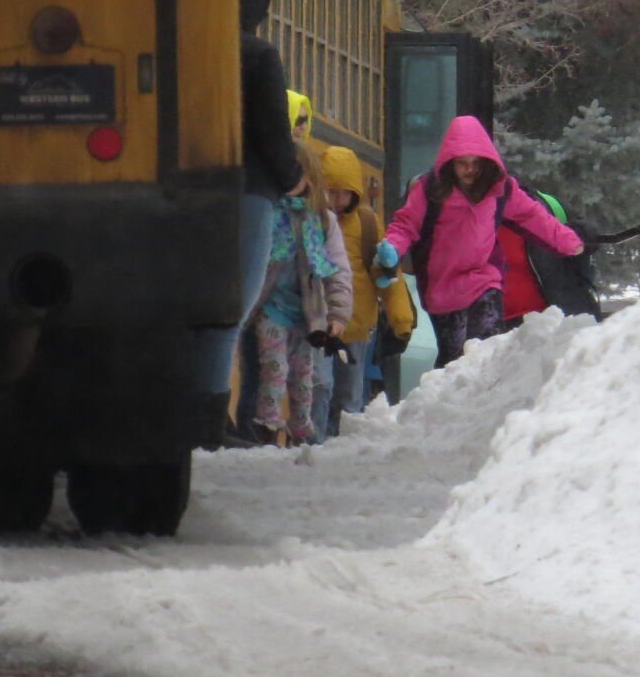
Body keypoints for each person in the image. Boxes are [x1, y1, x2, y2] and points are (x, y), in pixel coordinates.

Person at [375, 116, 583, 368]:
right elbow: (405, 224)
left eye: (475, 163)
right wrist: (392, 250)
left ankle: (488, 398)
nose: (469, 170)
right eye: (462, 163)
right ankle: (446, 402)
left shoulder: (500, 188)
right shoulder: (430, 189)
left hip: (484, 279)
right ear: (450, 162)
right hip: (443, 286)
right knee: (454, 360)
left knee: (488, 350)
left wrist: (568, 241)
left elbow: (532, 216)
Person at [194, 0, 303, 434]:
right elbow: (272, 132)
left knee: (196, 304)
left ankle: (193, 406)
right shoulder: (259, 56)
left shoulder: (188, 49)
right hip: (250, 191)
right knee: (231, 306)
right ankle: (210, 414)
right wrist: (292, 177)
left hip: (191, 186)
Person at [248, 144, 351, 445]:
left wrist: (338, 314)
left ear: (310, 178)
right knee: (275, 367)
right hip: (271, 308)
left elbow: (338, 271)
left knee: (304, 377)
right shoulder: (267, 214)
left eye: (296, 175)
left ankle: (300, 426)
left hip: (308, 314)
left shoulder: (321, 221)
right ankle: (267, 426)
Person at [311, 145, 389, 438]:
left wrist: (402, 318)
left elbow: (382, 274)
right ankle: (315, 441)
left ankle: (344, 446)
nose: (337, 200)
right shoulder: (312, 221)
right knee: (320, 386)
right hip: (319, 321)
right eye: (330, 192)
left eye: (344, 193)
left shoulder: (367, 222)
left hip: (356, 325)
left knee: (348, 395)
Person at [497, 186, 602, 327]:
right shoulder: (462, 221)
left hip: (559, 324)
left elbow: (589, 235)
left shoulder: (547, 206)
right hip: (490, 336)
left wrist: (579, 234)